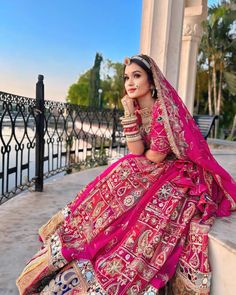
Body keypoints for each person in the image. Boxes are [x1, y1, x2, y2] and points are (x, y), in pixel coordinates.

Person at [16, 54, 236, 295]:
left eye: (137, 76)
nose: (130, 82)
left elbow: (156, 156)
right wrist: (130, 114)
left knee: (129, 169)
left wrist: (141, 151)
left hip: (180, 169)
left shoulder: (163, 109)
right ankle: (86, 235)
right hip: (158, 163)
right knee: (126, 167)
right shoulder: (140, 108)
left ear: (152, 83)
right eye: (126, 78)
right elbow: (138, 151)